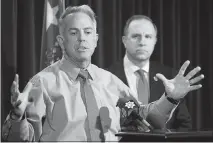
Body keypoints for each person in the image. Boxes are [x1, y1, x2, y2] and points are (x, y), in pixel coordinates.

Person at [2, 5, 204, 142]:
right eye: (74, 33)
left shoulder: (110, 82)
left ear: (96, 40)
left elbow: (142, 116)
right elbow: (20, 139)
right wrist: (17, 117)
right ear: (61, 41)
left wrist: (170, 98)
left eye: (88, 32)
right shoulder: (41, 83)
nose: (82, 38)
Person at [108, 15, 203, 131]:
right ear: (124, 41)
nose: (142, 42)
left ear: (155, 41)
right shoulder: (107, 76)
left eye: (148, 36)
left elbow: (184, 126)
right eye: (135, 36)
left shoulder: (171, 76)